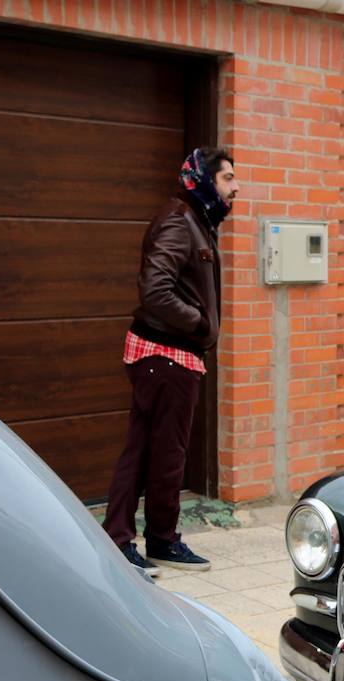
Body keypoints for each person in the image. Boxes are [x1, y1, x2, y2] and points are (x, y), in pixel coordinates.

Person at [102, 147, 238, 577]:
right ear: (204, 180)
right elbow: (155, 290)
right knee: (164, 454)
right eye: (228, 178)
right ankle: (150, 540)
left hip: (167, 355)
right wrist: (198, 324)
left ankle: (132, 538)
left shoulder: (194, 222)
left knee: (145, 451)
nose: (236, 186)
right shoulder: (181, 221)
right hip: (165, 355)